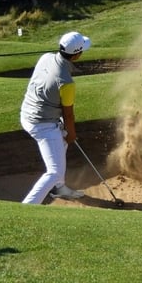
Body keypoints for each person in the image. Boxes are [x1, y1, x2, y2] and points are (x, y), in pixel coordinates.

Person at [19, 31, 91, 205]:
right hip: (42, 125)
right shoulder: (66, 83)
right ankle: (27, 207)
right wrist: (71, 133)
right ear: (77, 54)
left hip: (28, 113)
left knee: (62, 142)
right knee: (54, 171)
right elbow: (68, 114)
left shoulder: (45, 57)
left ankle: (59, 189)